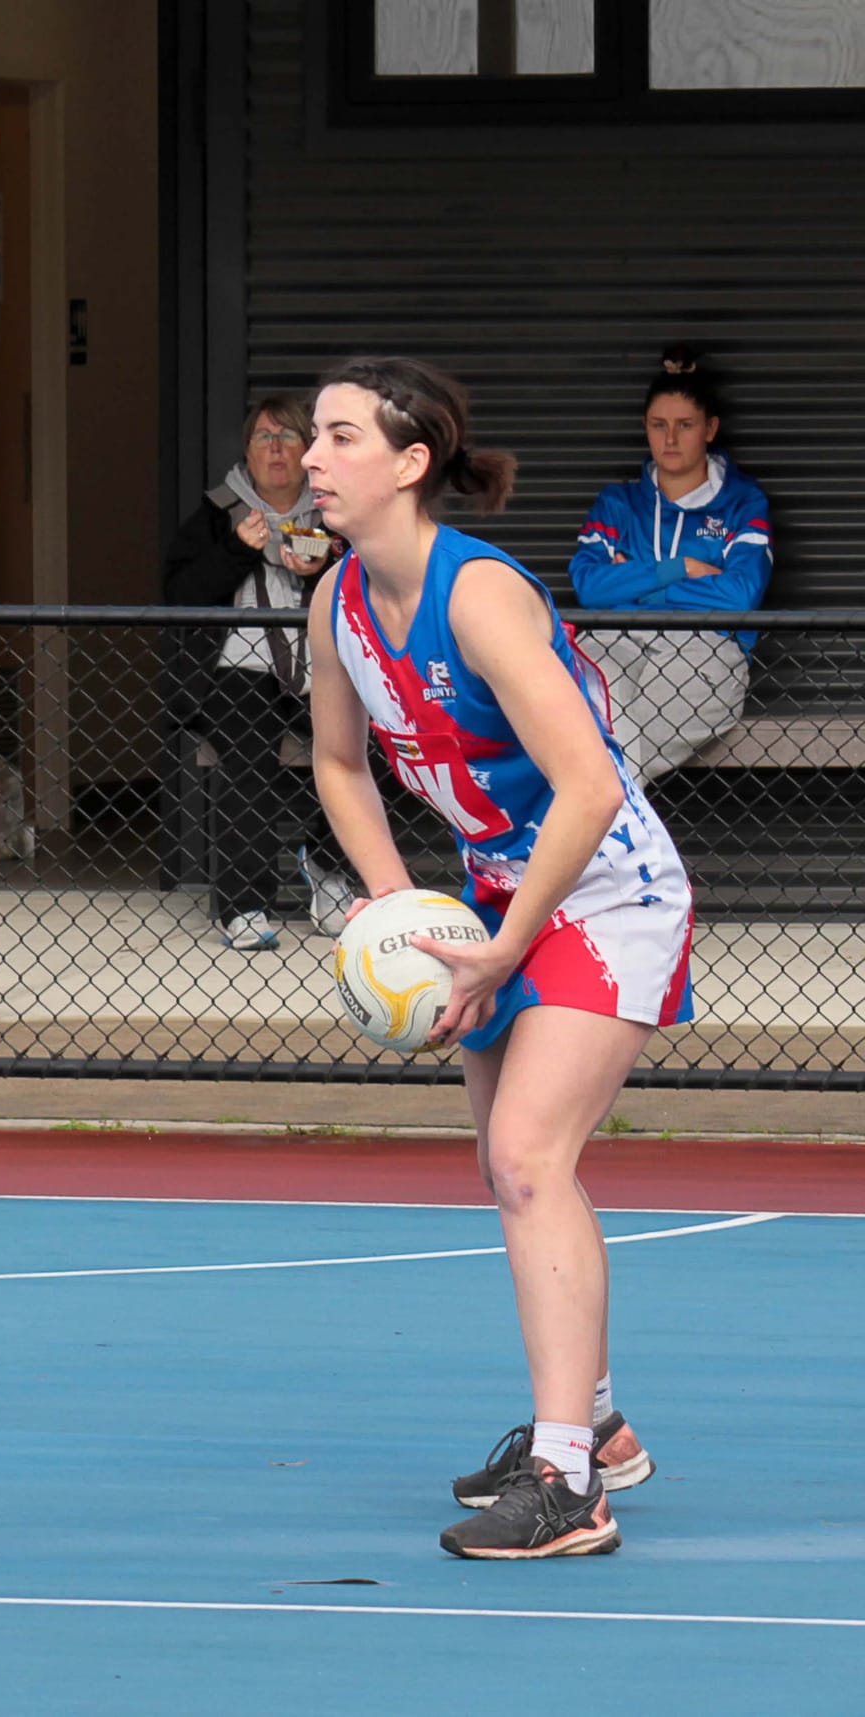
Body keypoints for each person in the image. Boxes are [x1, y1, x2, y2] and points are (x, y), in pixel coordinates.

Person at [301, 357, 692, 1560]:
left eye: (337, 436)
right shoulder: (333, 602)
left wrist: (507, 945)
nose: (309, 456)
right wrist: (394, 920)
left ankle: (570, 1484)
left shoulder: (478, 597)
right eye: (310, 436)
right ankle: (599, 1419)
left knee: (528, 1155)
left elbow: (584, 785)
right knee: (503, 1162)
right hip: (487, 898)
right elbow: (337, 763)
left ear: (409, 464)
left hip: (601, 887)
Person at [162, 393, 354, 950]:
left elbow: (374, 592)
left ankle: (324, 863)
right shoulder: (218, 512)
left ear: (309, 449)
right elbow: (179, 594)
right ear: (247, 449)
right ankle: (244, 905)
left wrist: (324, 570)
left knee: (380, 745)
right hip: (235, 668)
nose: (276, 448)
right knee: (247, 758)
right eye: (264, 437)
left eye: (289, 436)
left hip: (323, 667)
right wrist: (237, 552)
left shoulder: (333, 509)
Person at [569, 346, 772, 781]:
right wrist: (680, 567)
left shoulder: (742, 502)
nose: (671, 439)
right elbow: (589, 587)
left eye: (685, 425)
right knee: (594, 678)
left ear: (710, 429)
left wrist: (635, 582)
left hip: (705, 646)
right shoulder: (617, 503)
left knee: (605, 760)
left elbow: (740, 594)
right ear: (645, 428)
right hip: (614, 638)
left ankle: (593, 818)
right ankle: (615, 821)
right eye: (659, 426)